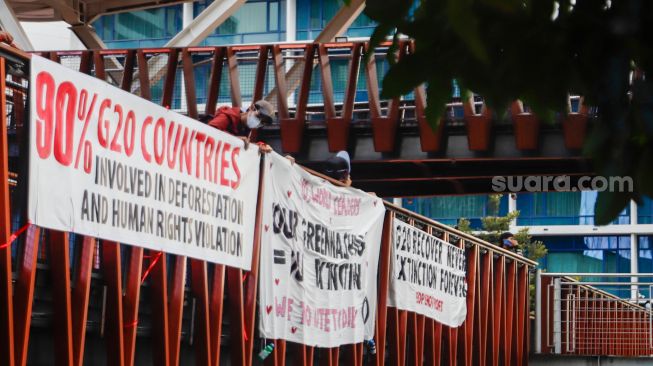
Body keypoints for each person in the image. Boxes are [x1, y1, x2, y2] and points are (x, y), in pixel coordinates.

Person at [207, 100, 275, 152]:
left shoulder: (246, 129)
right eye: (259, 117)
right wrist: (235, 139)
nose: (259, 122)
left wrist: (258, 146)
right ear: (252, 108)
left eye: (262, 122)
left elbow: (244, 146)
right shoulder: (227, 116)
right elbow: (209, 131)